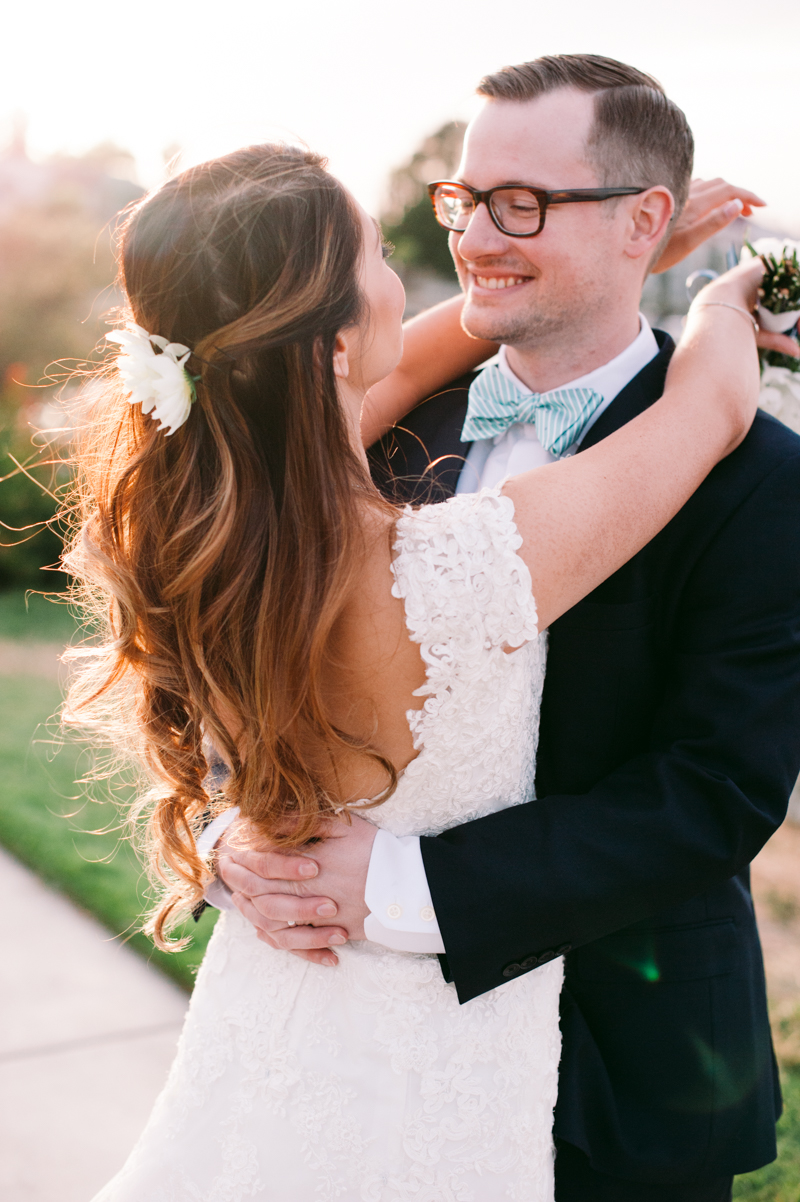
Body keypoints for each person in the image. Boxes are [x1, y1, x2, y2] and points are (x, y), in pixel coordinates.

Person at [212, 57, 800, 1202]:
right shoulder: (367, 419)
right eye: (464, 199)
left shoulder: (760, 475)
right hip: (347, 1048)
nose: (477, 235)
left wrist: (396, 884)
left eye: (521, 203)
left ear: (644, 223)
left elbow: (712, 790)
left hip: (621, 1076)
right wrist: (231, 837)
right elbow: (226, 663)